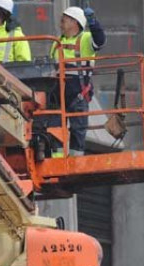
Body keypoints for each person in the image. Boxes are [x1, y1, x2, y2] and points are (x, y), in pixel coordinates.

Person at [49, 6, 106, 157]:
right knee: (55, 131)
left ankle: (75, 164)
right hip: (56, 94)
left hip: (78, 95)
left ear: (75, 22)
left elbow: (100, 41)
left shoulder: (86, 39)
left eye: (65, 18)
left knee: (77, 132)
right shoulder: (56, 43)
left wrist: (94, 23)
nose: (61, 22)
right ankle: (57, 164)